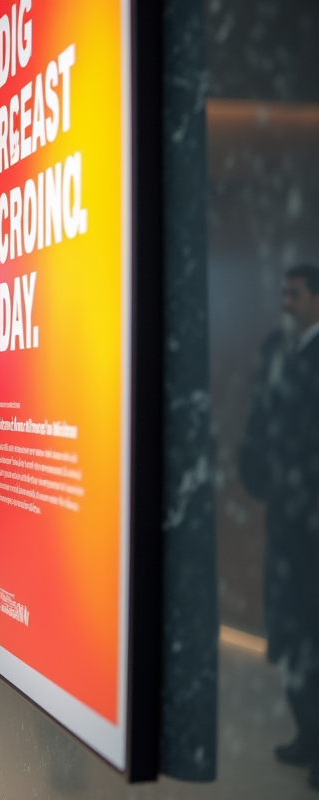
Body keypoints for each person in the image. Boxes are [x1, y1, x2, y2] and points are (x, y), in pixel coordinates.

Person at [238, 263, 319, 789]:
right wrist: (259, 477)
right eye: (283, 294)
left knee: (313, 631)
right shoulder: (278, 351)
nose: (285, 303)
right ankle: (307, 734)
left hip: (314, 525)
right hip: (287, 522)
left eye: (294, 294)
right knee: (290, 630)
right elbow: (260, 420)